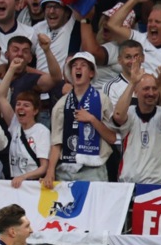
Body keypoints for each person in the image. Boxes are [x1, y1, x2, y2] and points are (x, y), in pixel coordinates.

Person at [43, 52, 116, 186]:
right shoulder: (61, 105)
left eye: (83, 65)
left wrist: (92, 119)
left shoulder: (102, 100)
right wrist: (50, 171)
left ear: (91, 73)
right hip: (65, 169)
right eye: (74, 66)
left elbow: (112, 138)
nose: (78, 68)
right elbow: (56, 142)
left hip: (93, 170)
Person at [112, 64, 161, 184]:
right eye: (146, 88)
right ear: (136, 92)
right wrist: (132, 83)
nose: (151, 93)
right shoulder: (129, 113)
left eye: (155, 88)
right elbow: (117, 115)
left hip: (157, 185)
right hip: (128, 184)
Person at [0, 59, 50, 188]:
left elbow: (43, 167)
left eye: (26, 105)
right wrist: (11, 69)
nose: (21, 108)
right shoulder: (15, 125)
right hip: (16, 183)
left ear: (35, 110)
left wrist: (23, 177)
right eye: (18, 104)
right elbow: (1, 97)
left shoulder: (41, 131)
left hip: (32, 184)